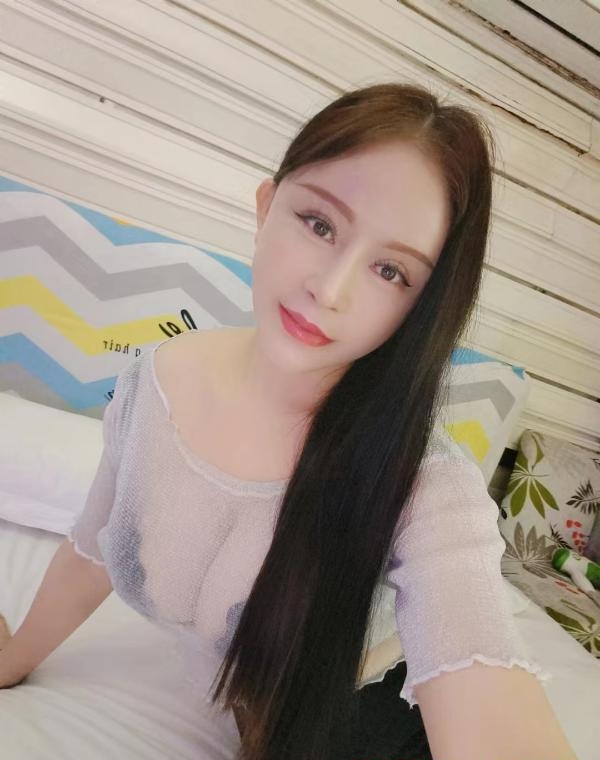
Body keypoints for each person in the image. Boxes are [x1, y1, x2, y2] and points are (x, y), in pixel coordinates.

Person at [0, 82, 578, 760]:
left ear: (420, 306)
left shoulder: (421, 482)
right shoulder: (155, 381)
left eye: (391, 271)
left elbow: (479, 668)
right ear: (265, 205)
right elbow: (94, 545)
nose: (329, 290)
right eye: (320, 224)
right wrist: (14, 658)